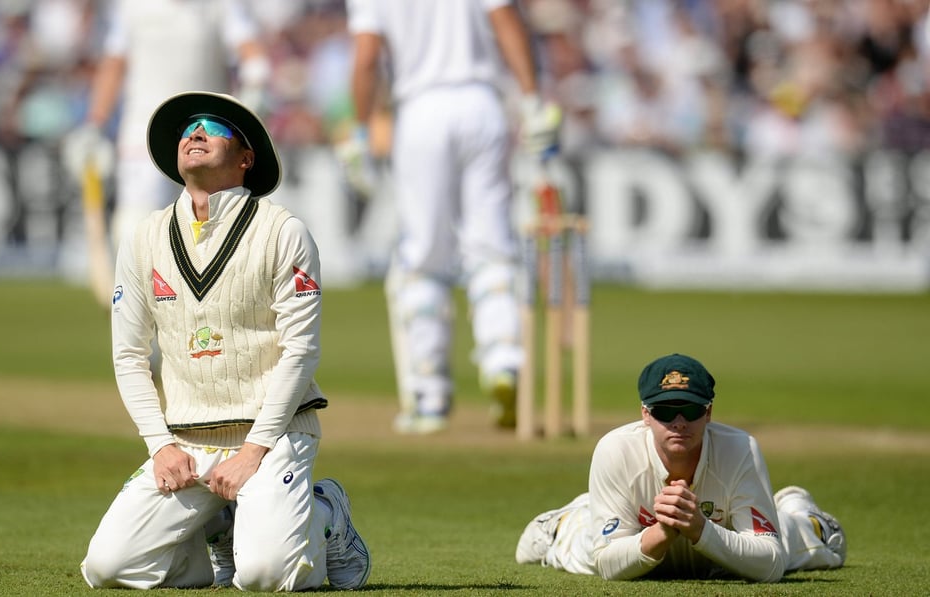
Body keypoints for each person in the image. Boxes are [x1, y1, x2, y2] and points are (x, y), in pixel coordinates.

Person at [79, 91, 371, 591]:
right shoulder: (143, 237)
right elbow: (128, 355)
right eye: (188, 128)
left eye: (212, 127)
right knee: (108, 568)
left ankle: (327, 514)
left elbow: (301, 350)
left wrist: (254, 450)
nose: (194, 133)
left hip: (274, 434)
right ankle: (217, 528)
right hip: (187, 441)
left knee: (264, 574)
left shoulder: (284, 232)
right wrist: (159, 446)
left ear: (245, 158)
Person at [342, 0, 562, 434]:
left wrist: (361, 130)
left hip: (421, 112)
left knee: (424, 255)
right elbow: (506, 22)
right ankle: (504, 361)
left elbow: (367, 56)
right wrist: (533, 100)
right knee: (492, 246)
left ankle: (429, 392)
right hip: (483, 106)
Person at [515, 353, 846, 582]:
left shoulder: (740, 449)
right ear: (645, 414)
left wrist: (700, 528)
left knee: (818, 543)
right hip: (633, 538)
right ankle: (566, 520)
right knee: (572, 547)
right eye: (664, 411)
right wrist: (663, 532)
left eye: (689, 410)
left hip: (722, 554)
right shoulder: (615, 450)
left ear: (709, 412)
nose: (678, 423)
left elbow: (771, 564)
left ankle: (794, 509)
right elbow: (606, 563)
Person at [64, 0, 271, 265]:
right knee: (136, 226)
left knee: (208, 229)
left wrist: (256, 86)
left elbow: (251, 53)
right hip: (144, 133)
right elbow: (114, 64)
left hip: (206, 132)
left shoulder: (222, 5)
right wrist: (95, 123)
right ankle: (135, 300)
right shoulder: (131, 6)